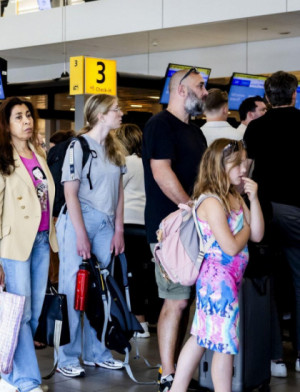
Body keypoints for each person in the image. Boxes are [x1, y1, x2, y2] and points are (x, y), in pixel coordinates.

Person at [169, 139, 264, 392]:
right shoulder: (211, 201)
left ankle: (176, 389)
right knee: (224, 343)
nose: (243, 170)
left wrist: (253, 199)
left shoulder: (234, 196)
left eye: (243, 163)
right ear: (219, 166)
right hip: (217, 283)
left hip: (226, 281)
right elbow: (231, 246)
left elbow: (258, 235)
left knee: (202, 337)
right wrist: (244, 226)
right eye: (236, 164)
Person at [0, 97, 58, 392]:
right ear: (6, 124)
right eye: (19, 117)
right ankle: (27, 382)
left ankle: (10, 379)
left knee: (33, 313)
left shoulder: (38, 155)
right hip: (13, 245)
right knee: (20, 314)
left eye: (29, 115)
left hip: (40, 241)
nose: (27, 121)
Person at [142, 67, 208, 391]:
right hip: (168, 229)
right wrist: (192, 207)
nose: (206, 92)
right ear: (181, 90)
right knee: (176, 301)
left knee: (192, 302)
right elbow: (160, 172)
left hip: (196, 228)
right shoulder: (159, 125)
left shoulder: (196, 132)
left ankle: (181, 373)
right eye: (201, 86)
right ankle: (167, 374)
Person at [55, 94, 127, 378]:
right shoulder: (78, 146)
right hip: (78, 220)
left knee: (102, 290)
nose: (121, 113)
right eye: (115, 109)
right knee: (73, 289)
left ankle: (98, 352)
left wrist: (118, 229)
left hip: (106, 222)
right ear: (100, 115)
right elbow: (70, 193)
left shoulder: (114, 149)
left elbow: (119, 193)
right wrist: (81, 234)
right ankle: (67, 356)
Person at [243, 70, 300, 373]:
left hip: (263, 213)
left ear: (267, 97)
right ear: (294, 94)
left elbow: (246, 171)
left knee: (268, 282)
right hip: (296, 212)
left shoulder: (255, 129)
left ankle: (274, 357)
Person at [116, 123, 160, 338]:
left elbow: (115, 194)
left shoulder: (125, 163)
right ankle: (152, 318)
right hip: (150, 224)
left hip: (128, 225)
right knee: (148, 274)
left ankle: (138, 321)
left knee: (130, 275)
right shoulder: (151, 162)